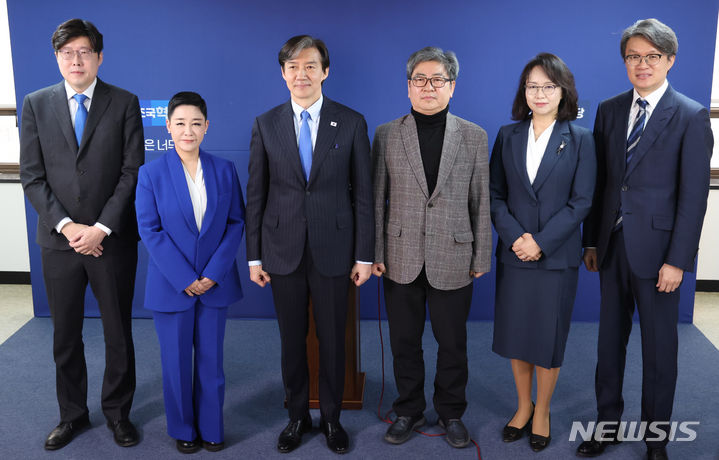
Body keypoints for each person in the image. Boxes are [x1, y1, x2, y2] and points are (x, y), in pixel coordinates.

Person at [578, 19, 712, 460]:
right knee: (608, 346)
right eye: (633, 56)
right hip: (612, 248)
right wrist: (591, 242)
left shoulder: (691, 115)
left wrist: (678, 261)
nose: (642, 64)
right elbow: (602, 184)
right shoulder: (611, 110)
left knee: (659, 353)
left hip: (660, 258)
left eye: (652, 56)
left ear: (669, 60)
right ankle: (607, 426)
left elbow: (693, 199)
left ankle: (657, 439)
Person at [245, 35, 374, 455]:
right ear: (283, 73)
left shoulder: (351, 122)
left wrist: (365, 255)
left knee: (333, 340)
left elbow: (364, 196)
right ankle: (297, 416)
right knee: (291, 340)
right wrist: (254, 255)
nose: (302, 74)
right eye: (293, 67)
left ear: (325, 71)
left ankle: (332, 418)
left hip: (335, 250)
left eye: (310, 66)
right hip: (281, 251)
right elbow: (257, 194)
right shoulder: (266, 123)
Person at [19, 18, 143, 450]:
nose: (76, 60)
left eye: (84, 51)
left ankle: (118, 414)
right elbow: (33, 177)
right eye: (67, 53)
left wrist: (101, 228)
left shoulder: (125, 102)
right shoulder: (35, 104)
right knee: (65, 335)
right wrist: (70, 227)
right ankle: (71, 414)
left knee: (117, 333)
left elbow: (131, 173)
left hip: (112, 241)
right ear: (57, 58)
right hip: (59, 242)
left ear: (99, 56)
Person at [372, 46, 491, 449]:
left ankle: (451, 411)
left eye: (437, 79)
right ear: (408, 87)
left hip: (454, 255)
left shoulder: (474, 136)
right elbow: (376, 198)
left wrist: (481, 255)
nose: (428, 86)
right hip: (399, 256)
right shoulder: (387, 134)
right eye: (419, 79)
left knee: (452, 343)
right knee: (404, 341)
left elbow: (481, 200)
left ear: (452, 87)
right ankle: (408, 409)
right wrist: (376, 253)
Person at [489, 53, 596, 452]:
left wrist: (541, 242)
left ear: (563, 90)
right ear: (524, 91)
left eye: (548, 86)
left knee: (547, 338)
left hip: (556, 256)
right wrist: (517, 237)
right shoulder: (508, 134)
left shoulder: (581, 138)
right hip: (514, 253)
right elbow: (495, 194)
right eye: (532, 86)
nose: (539, 93)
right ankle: (522, 406)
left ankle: (543, 411)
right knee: (518, 334)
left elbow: (582, 201)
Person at [135, 92, 245, 453]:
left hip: (215, 284)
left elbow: (235, 223)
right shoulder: (150, 173)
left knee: (212, 363)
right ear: (167, 126)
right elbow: (150, 231)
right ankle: (183, 429)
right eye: (180, 123)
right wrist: (186, 279)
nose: (188, 130)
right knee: (176, 364)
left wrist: (213, 274)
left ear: (206, 127)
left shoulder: (224, 170)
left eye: (196, 123)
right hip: (172, 286)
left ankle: (213, 428)